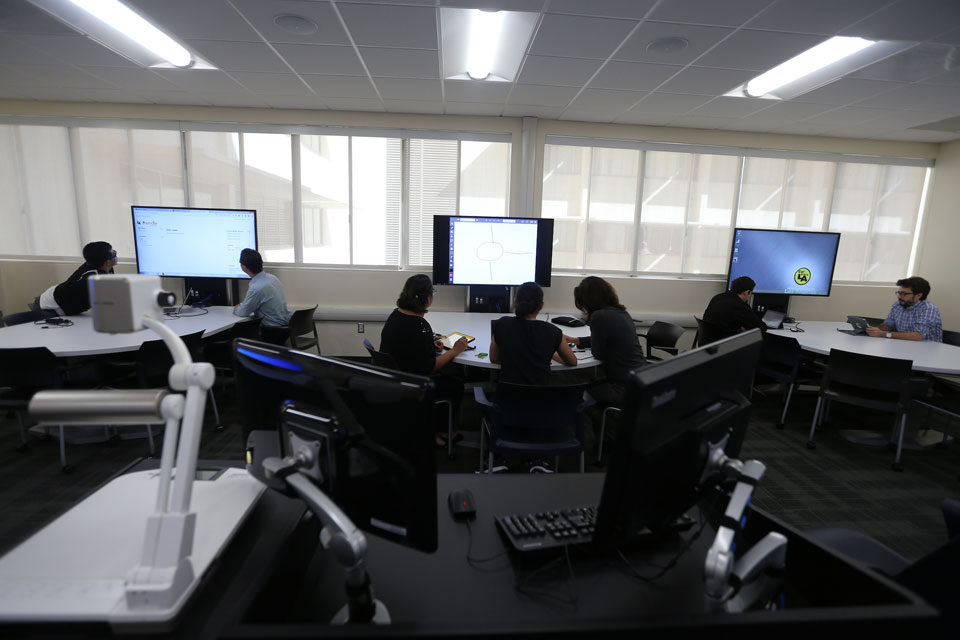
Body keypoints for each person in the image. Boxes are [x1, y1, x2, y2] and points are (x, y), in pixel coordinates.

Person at [380, 274, 467, 447]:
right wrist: (455, 351)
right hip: (414, 383)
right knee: (455, 383)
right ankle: (444, 433)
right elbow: (430, 367)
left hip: (395, 378)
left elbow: (407, 345)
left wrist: (429, 345)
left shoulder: (396, 316)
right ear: (428, 298)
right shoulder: (420, 325)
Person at [565, 276, 646, 407]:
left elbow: (598, 354)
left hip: (622, 387)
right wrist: (576, 340)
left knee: (576, 385)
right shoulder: (621, 312)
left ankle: (595, 423)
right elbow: (609, 340)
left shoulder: (599, 316)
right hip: (639, 379)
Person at [5, 241, 117, 325]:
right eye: (113, 253)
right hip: (51, 307)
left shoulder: (103, 267)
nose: (116, 253)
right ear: (107, 261)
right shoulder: (90, 280)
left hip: (63, 302)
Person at [490, 281, 577, 385]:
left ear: (515, 302)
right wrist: (552, 354)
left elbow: (494, 358)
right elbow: (572, 362)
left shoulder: (502, 324)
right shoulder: (553, 332)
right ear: (541, 306)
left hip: (507, 398)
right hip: (540, 399)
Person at [233, 248, 293, 343]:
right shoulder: (273, 278)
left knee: (235, 335)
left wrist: (237, 308)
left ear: (244, 268)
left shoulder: (256, 288)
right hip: (286, 328)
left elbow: (243, 312)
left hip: (271, 332)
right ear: (261, 262)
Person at [866, 276, 942, 342]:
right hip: (903, 345)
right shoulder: (898, 305)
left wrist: (884, 334)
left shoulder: (928, 309)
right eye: (899, 293)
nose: (899, 297)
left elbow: (918, 336)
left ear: (919, 295)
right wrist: (872, 330)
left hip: (927, 350)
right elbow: (888, 325)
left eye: (904, 294)